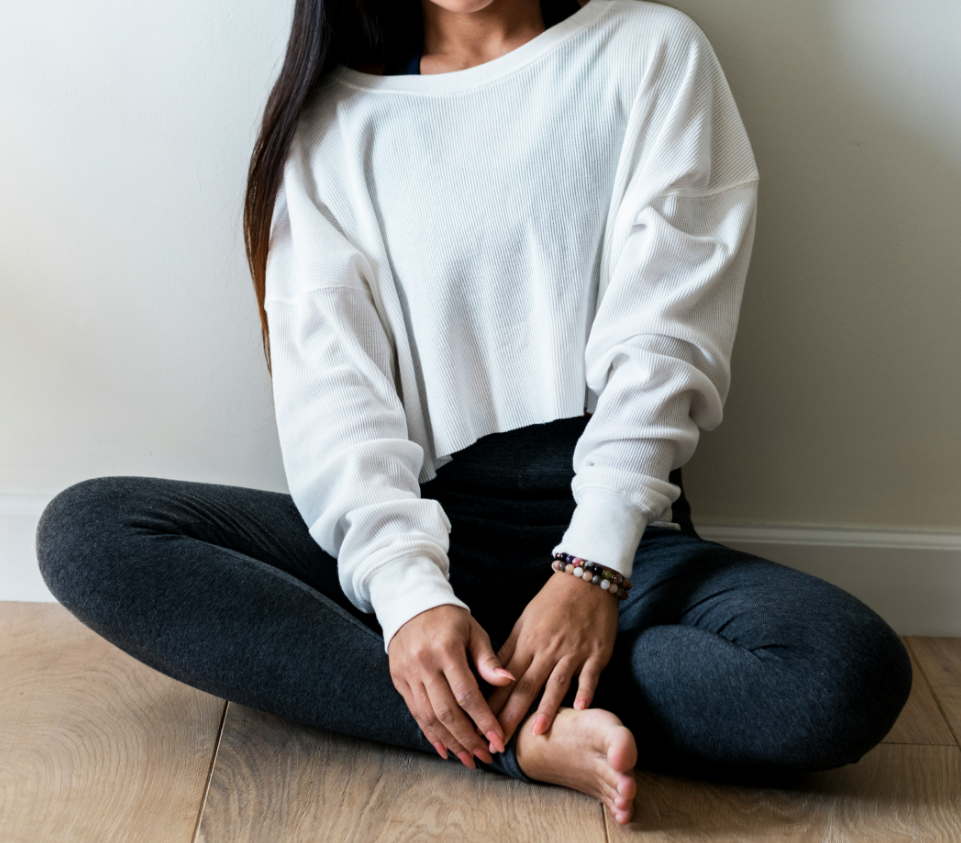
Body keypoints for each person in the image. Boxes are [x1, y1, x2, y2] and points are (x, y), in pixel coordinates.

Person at [36, 0, 912, 826]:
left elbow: (666, 337)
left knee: (839, 672)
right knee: (92, 532)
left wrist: (590, 570)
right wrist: (411, 601)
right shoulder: (332, 124)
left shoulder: (649, 53)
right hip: (422, 530)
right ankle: (514, 736)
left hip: (619, 539)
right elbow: (335, 400)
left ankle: (471, 696)